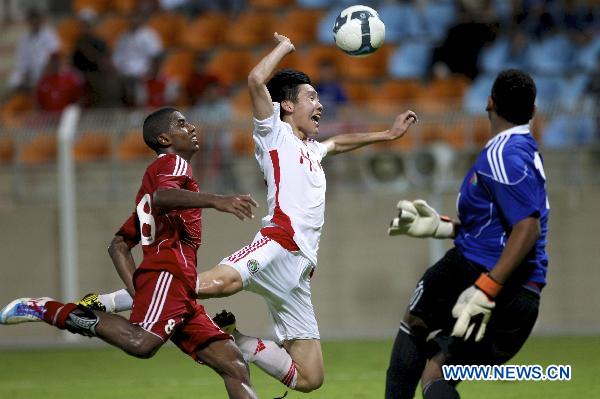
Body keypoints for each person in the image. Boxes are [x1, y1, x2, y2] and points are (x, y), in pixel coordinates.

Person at [191, 33, 416, 393]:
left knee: (311, 379)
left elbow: (338, 142)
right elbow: (254, 80)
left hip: (299, 269)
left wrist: (387, 135)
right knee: (213, 285)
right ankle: (128, 297)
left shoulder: (311, 148)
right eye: (311, 96)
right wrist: (283, 46)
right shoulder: (273, 132)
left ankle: (236, 340)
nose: (320, 104)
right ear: (287, 106)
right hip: (276, 244)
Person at [0, 108, 259, 399]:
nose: (192, 127)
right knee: (141, 343)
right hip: (169, 274)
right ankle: (48, 309)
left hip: (179, 287)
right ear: (164, 138)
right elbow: (163, 195)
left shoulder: (153, 187)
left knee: (233, 364)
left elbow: (119, 245)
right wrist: (217, 200)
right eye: (181, 124)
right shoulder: (173, 163)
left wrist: (139, 292)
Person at [385, 69, 548, 399]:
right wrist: (441, 226)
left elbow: (526, 228)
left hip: (484, 275)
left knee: (414, 322)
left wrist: (486, 289)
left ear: (489, 102)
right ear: (532, 112)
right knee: (436, 372)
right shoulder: (522, 150)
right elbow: (497, 226)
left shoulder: (503, 155)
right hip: (524, 296)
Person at [6, 8, 60, 90]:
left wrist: (45, 70)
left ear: (41, 20)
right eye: (32, 20)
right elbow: (21, 61)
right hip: (30, 73)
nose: (34, 22)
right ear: (28, 21)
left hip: (46, 71)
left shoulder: (50, 34)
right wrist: (24, 74)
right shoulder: (24, 39)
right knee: (13, 80)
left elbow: (54, 55)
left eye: (36, 19)